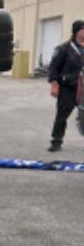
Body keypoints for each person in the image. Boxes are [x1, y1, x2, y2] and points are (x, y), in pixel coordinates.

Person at [46, 19, 84, 152]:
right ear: (77, 32)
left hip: (83, 89)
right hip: (68, 88)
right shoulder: (64, 48)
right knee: (62, 115)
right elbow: (53, 67)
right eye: (83, 29)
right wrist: (54, 84)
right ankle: (56, 141)